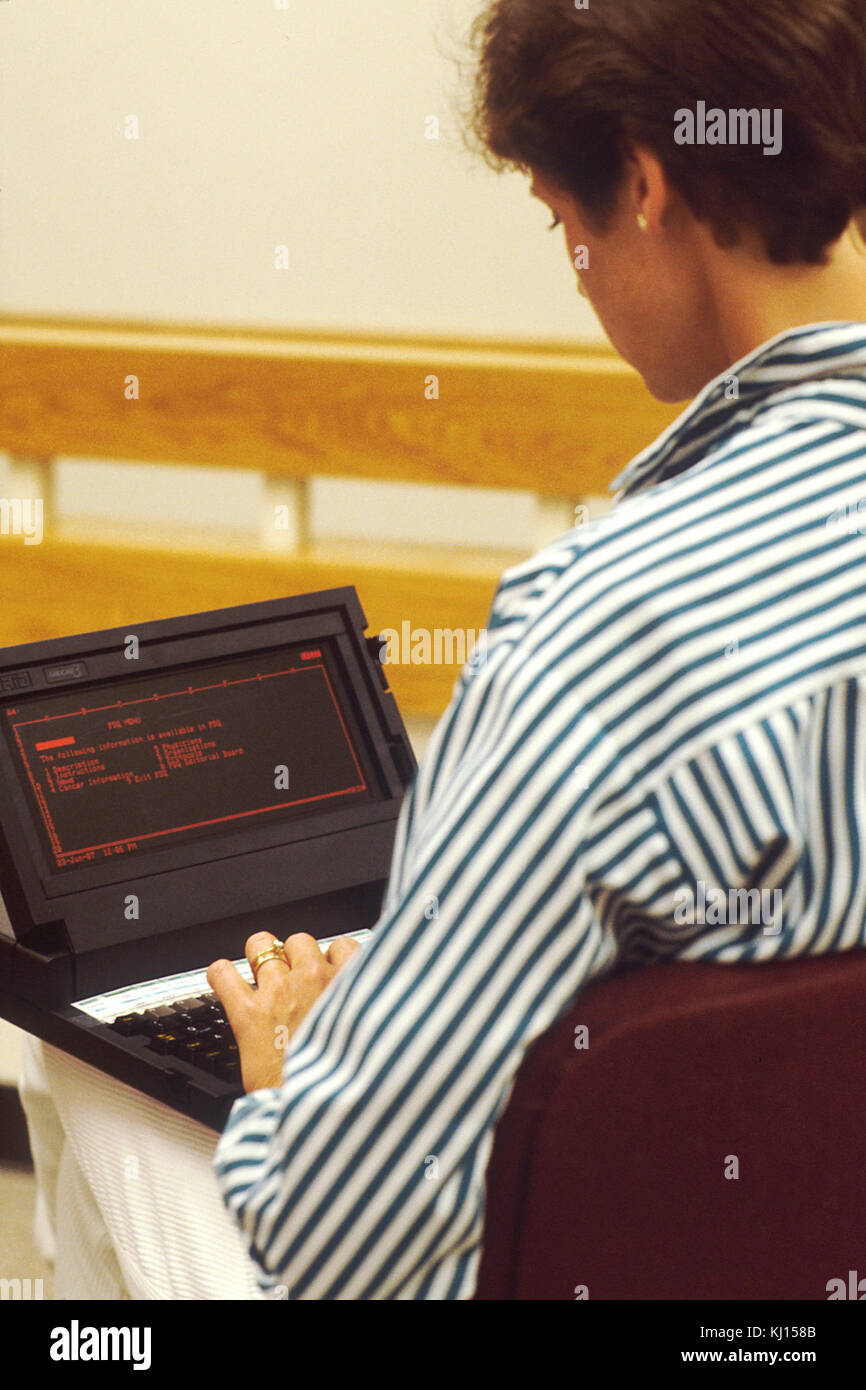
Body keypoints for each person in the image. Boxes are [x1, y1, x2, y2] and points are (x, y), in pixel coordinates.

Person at [22, 0, 866, 1299]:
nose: (571, 265)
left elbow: (346, 1244)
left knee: (95, 1065)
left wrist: (294, 1060)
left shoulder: (600, 621)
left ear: (638, 185)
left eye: (556, 221)